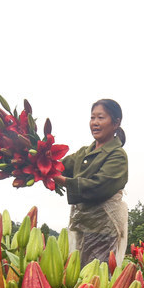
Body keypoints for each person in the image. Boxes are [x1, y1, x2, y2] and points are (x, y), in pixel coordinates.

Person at [55, 99, 128, 265]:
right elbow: (59, 167)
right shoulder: (84, 153)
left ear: (116, 123)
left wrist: (61, 180)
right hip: (82, 226)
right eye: (92, 118)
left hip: (103, 230)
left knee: (97, 274)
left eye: (101, 118)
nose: (95, 122)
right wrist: (36, 162)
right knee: (77, 273)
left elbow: (98, 187)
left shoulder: (117, 155)